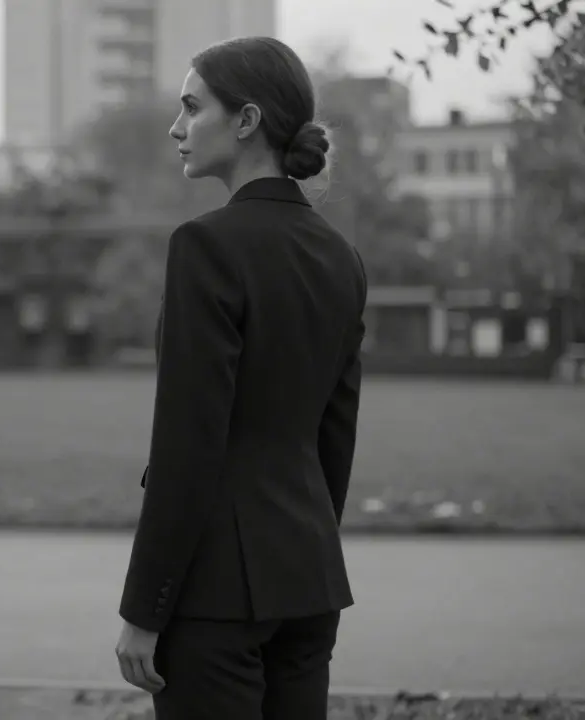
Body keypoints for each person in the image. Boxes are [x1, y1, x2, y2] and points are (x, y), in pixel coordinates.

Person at [114, 37, 368, 720]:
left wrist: (145, 610)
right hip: (308, 583)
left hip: (215, 596)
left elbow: (188, 443)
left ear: (247, 120)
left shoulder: (205, 246)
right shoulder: (341, 257)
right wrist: (308, 552)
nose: (177, 127)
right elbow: (334, 438)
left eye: (193, 108)